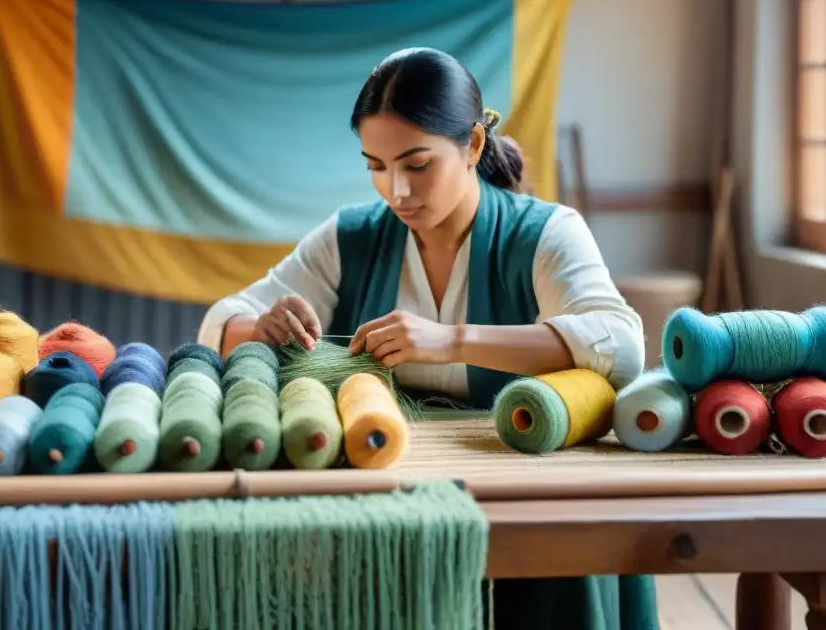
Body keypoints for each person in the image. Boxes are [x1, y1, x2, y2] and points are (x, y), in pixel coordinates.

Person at [198, 46, 656, 629]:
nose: (397, 191)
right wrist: (258, 327)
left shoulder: (546, 234)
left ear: (472, 145)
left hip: (532, 497)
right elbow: (222, 320)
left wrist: (451, 340)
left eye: (417, 164)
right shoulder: (350, 237)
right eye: (375, 165)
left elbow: (620, 342)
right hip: (390, 499)